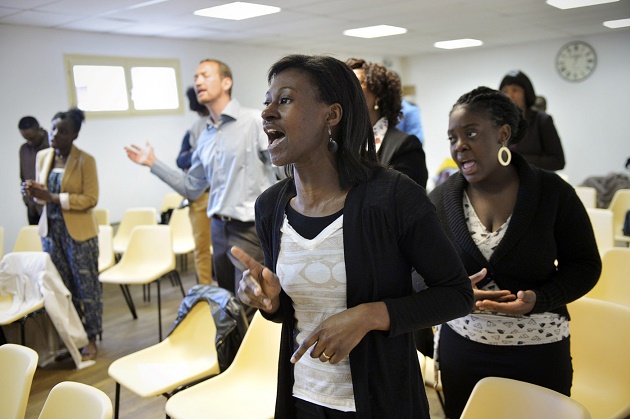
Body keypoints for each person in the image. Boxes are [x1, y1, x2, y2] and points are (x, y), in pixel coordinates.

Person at [232, 54, 473, 418]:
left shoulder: (392, 196)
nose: (266, 112)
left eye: (284, 99)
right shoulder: (271, 206)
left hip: (380, 403)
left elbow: (457, 295)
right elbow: (288, 313)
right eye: (267, 101)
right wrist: (268, 300)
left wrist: (370, 315)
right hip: (303, 399)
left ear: (331, 115)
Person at [429, 86, 601, 418]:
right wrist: (455, 292)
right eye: (452, 138)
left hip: (539, 349)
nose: (459, 145)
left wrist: (540, 297)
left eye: (472, 133)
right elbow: (416, 272)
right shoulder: (439, 200)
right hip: (463, 349)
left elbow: (585, 265)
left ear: (503, 134)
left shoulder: (552, 192)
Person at [125, 59, 276, 297]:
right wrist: (153, 163)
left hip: (249, 228)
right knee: (227, 302)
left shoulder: (254, 121)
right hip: (217, 228)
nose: (198, 81)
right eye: (195, 77)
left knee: (251, 299)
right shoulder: (204, 136)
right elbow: (192, 187)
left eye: (205, 75)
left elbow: (283, 170)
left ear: (227, 82)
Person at [22, 108, 101, 361]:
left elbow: (90, 199)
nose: (56, 134)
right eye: (54, 128)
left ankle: (91, 338)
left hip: (79, 236)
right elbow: (42, 196)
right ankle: (73, 338)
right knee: (62, 289)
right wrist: (32, 192)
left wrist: (53, 197)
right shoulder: (43, 156)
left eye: (63, 131)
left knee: (86, 289)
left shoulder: (85, 160)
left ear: (74, 135)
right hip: (52, 233)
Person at [346, 58, 428, 189]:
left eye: (356, 84)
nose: (347, 92)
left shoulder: (405, 145)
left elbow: (410, 201)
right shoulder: (339, 142)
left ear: (377, 95)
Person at [176, 86, 213, 285]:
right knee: (202, 249)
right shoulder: (195, 128)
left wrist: (195, 155)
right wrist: (199, 153)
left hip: (218, 193)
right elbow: (180, 161)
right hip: (200, 195)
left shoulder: (219, 124)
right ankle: (206, 288)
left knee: (211, 248)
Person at [499, 70, 565, 171]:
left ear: (527, 93)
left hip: (535, 181)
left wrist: (515, 160)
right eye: (505, 91)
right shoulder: (498, 122)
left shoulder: (542, 120)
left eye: (515, 90)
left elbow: (558, 161)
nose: (510, 96)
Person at [18, 116, 50, 225]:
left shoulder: (53, 147)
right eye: (26, 139)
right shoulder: (24, 150)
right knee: (34, 240)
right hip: (32, 207)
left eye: (32, 138)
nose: (29, 142)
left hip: (50, 206)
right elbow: (23, 176)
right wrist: (26, 200)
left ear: (40, 130)